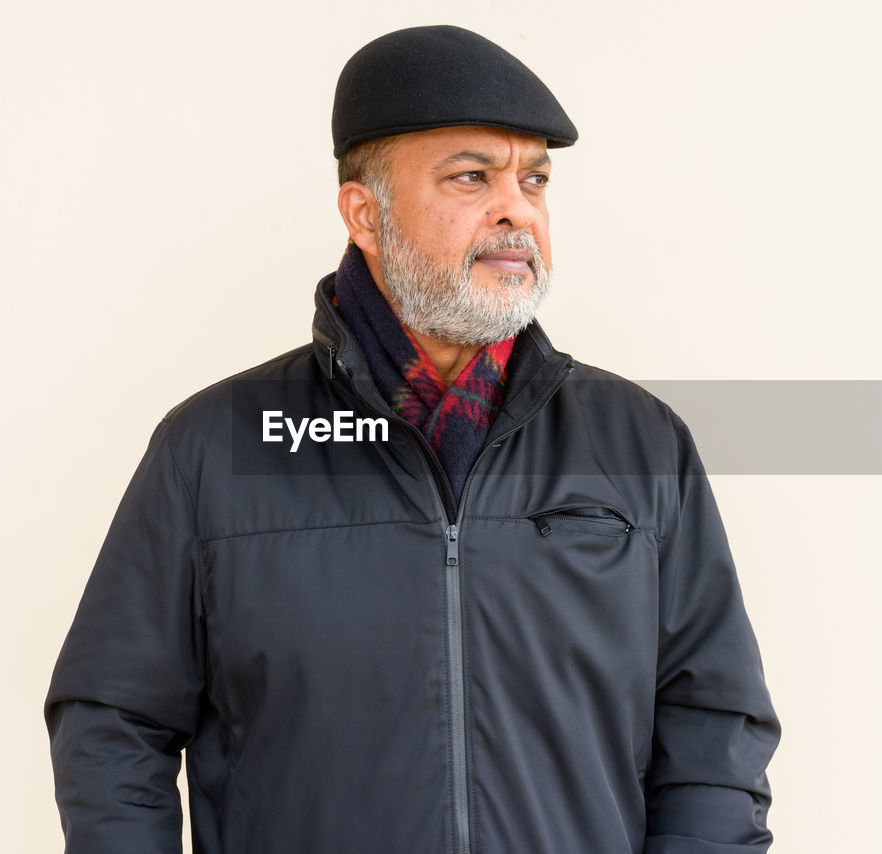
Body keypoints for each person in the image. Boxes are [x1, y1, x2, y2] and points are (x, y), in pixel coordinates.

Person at [46, 24, 780, 854]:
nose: (516, 207)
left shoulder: (639, 443)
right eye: (472, 177)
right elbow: (114, 724)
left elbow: (713, 728)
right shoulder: (213, 448)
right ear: (366, 212)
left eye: (533, 178)